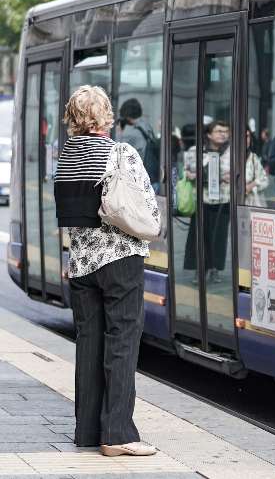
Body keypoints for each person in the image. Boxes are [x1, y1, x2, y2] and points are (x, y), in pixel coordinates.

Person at [54, 85, 158, 457]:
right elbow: (145, 204)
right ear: (105, 115)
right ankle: (116, 434)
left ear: (73, 117)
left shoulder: (65, 155)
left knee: (89, 344)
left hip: (82, 265)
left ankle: (87, 431)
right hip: (120, 260)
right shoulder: (119, 152)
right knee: (122, 342)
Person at [183, 120, 231, 283]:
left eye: (225, 131)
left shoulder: (232, 152)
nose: (223, 134)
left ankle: (215, 268)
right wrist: (191, 175)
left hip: (223, 201)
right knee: (200, 237)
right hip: (201, 201)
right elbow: (185, 170)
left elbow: (238, 173)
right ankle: (200, 270)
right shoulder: (195, 151)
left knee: (219, 237)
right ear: (209, 134)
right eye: (218, 131)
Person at [117, 98, 159, 187]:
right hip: (151, 176)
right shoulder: (147, 127)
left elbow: (116, 153)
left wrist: (119, 132)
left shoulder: (130, 133)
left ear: (126, 116)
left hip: (137, 181)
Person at [244, 129, 268, 207]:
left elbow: (265, 180)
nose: (246, 139)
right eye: (242, 136)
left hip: (252, 205)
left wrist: (252, 185)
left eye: (247, 136)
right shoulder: (229, 157)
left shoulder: (253, 158)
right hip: (232, 206)